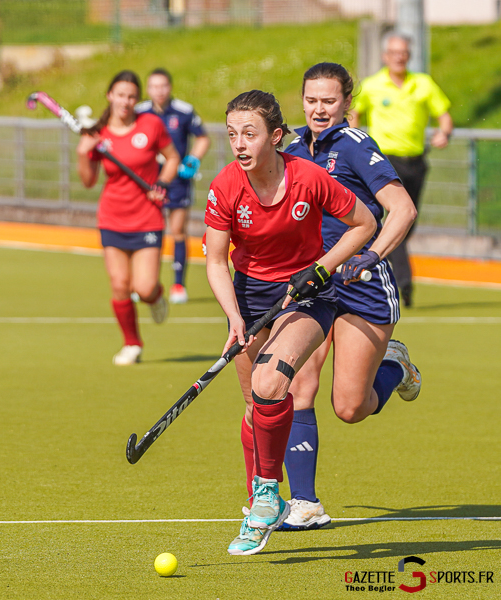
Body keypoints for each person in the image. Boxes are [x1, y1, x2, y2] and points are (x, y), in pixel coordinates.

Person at [204, 90, 377, 555]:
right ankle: (259, 504)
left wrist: (322, 268)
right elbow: (216, 261)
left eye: (250, 134)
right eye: (232, 134)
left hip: (307, 295)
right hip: (249, 296)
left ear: (276, 136)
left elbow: (364, 223)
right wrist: (233, 318)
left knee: (270, 384)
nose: (240, 144)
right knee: (253, 406)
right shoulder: (225, 186)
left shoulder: (309, 177)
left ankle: (267, 497)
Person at [279, 62, 423, 531]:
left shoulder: (357, 146)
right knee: (297, 385)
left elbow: (402, 209)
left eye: (329, 101)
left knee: (349, 408)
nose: (319, 109)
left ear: (346, 104)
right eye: (311, 100)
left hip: (362, 288)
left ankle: (396, 366)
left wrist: (373, 255)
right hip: (314, 286)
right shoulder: (291, 149)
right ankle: (305, 503)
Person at [77, 70, 181, 365]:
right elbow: (88, 181)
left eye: (132, 96)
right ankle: (132, 344)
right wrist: (83, 153)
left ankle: (156, 296)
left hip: (147, 218)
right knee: (120, 284)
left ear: (138, 99)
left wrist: (162, 183)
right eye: (121, 95)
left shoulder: (151, 124)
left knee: (144, 288)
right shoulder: (97, 133)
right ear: (110, 95)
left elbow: (172, 157)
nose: (126, 101)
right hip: (112, 218)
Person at [350, 31, 453, 308]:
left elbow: (444, 116)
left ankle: (395, 273)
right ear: (385, 56)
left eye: (404, 52)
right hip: (384, 161)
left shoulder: (423, 83)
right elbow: (354, 113)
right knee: (397, 216)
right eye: (394, 52)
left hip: (416, 161)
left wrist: (444, 133)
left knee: (408, 221)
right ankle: (404, 281)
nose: (399, 57)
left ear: (409, 55)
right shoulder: (372, 85)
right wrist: (354, 139)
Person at [136, 68, 211, 305]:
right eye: (154, 86)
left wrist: (193, 160)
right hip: (148, 180)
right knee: (148, 231)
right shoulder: (140, 112)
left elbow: (202, 137)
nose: (159, 91)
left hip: (178, 180)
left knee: (177, 230)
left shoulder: (184, 111)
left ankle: (179, 284)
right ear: (148, 89)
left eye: (163, 86)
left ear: (170, 87)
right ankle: (146, 283)